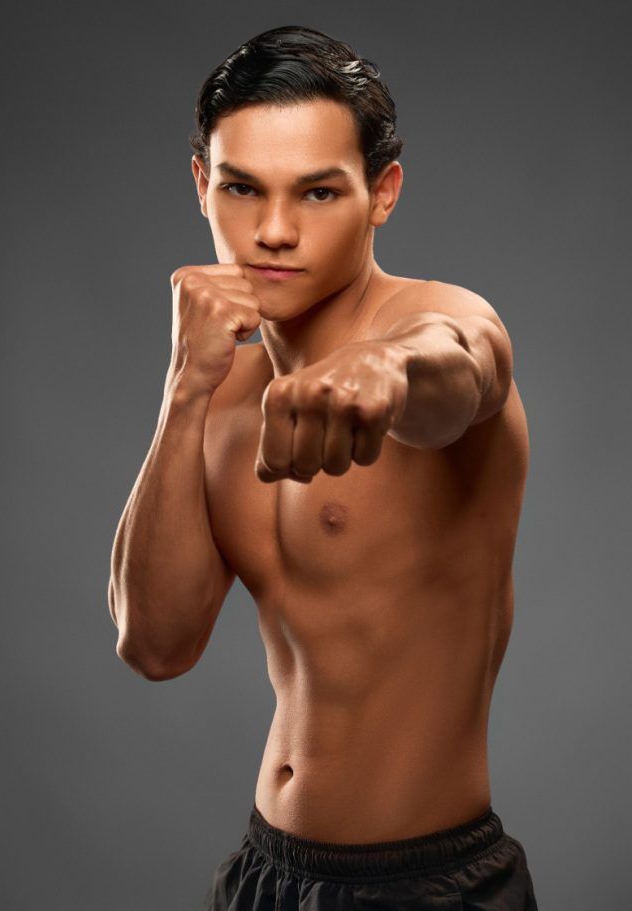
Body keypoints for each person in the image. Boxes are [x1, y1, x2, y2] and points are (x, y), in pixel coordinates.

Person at [108, 24, 538, 911]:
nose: (272, 231)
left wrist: (386, 370)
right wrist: (184, 388)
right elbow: (155, 644)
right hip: (263, 874)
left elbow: (464, 365)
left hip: (427, 886)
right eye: (242, 188)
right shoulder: (221, 393)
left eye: (317, 192)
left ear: (382, 194)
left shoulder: (437, 319)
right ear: (202, 185)